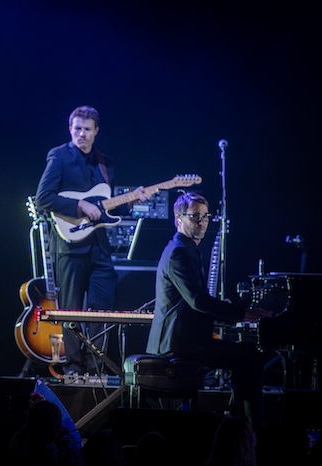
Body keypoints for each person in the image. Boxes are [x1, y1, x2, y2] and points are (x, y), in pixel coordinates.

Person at [36, 105, 151, 377]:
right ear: (70, 129)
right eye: (77, 128)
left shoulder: (104, 162)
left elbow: (106, 207)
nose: (82, 134)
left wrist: (132, 200)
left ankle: (96, 366)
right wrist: (80, 206)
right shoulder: (59, 156)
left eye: (87, 129)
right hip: (69, 244)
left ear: (96, 131)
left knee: (104, 303)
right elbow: (43, 198)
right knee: (71, 309)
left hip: (99, 245)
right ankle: (73, 367)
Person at [146, 192, 271, 429]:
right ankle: (253, 429)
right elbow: (198, 301)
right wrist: (243, 314)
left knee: (246, 356)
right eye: (195, 216)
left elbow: (195, 303)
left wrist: (232, 315)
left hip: (187, 340)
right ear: (178, 219)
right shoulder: (179, 252)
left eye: (205, 216)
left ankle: (240, 426)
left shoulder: (185, 249)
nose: (202, 222)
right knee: (251, 357)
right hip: (180, 344)